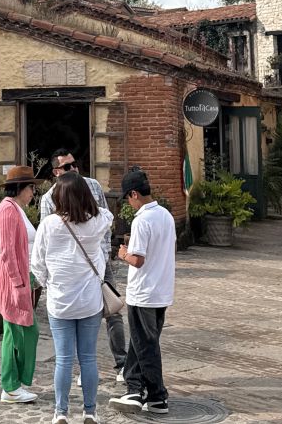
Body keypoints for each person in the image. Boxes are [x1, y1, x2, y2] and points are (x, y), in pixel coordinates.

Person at [38, 147, 126, 383]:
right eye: (67, 167)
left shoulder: (93, 185)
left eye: (75, 164)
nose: (74, 169)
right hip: (70, 271)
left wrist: (105, 254)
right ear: (57, 171)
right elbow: (46, 242)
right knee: (77, 320)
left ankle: (122, 364)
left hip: (97, 263)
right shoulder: (48, 200)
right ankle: (84, 369)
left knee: (112, 310)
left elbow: (105, 220)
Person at [32, 172, 114, 424]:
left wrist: (50, 284)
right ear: (85, 194)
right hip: (89, 300)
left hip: (60, 301)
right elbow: (107, 214)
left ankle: (61, 412)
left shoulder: (49, 225)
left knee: (64, 360)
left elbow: (37, 264)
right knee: (88, 358)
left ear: (58, 196)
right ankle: (90, 411)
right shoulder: (98, 221)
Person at [110, 168, 175, 416]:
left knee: (146, 345)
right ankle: (134, 388)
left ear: (134, 194)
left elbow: (137, 259)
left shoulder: (142, 220)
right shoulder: (166, 215)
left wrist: (122, 253)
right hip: (162, 290)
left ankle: (158, 396)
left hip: (143, 292)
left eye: (127, 197)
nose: (128, 202)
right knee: (141, 343)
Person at [0, 165, 42, 404]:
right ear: (21, 188)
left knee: (23, 331)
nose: (34, 192)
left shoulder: (15, 209)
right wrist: (19, 284)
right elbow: (9, 252)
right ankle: (10, 387)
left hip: (21, 279)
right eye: (32, 187)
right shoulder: (8, 211)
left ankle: (14, 383)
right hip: (14, 281)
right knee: (16, 333)